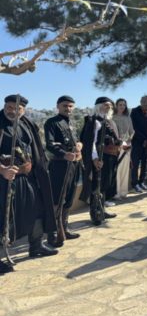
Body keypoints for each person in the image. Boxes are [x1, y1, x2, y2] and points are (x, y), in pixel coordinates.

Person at [0, 94, 58, 274]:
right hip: (5, 179)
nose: (12, 111)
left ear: (23, 110)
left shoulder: (26, 124)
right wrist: (2, 170)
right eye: (9, 107)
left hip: (28, 177)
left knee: (38, 209)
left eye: (16, 108)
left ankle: (36, 246)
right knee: (3, 217)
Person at [44, 95, 82, 247]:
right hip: (59, 166)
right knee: (57, 199)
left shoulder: (72, 122)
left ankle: (64, 229)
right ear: (58, 106)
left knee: (69, 198)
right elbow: (50, 144)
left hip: (73, 165)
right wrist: (65, 154)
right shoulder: (51, 122)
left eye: (71, 106)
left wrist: (79, 145)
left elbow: (75, 141)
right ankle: (54, 234)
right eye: (65, 106)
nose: (68, 108)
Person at [80, 97, 121, 218]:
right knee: (97, 184)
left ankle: (101, 209)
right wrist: (95, 158)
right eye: (106, 105)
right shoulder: (94, 121)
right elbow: (91, 142)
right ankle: (95, 213)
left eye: (110, 105)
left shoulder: (106, 121)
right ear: (99, 106)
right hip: (99, 157)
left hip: (109, 157)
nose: (109, 107)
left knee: (103, 185)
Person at [113, 98, 134, 199]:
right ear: (116, 106)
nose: (122, 106)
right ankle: (116, 193)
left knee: (125, 169)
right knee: (117, 170)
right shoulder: (112, 117)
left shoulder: (128, 118)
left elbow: (132, 131)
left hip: (126, 146)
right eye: (120, 104)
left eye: (124, 105)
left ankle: (123, 192)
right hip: (116, 146)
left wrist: (129, 141)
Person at [130, 95, 147, 193]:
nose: (146, 103)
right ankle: (134, 184)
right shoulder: (134, 112)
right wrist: (143, 139)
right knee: (135, 164)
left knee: (145, 164)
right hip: (137, 142)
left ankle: (142, 182)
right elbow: (134, 128)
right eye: (144, 101)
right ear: (140, 101)